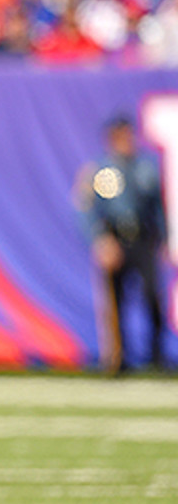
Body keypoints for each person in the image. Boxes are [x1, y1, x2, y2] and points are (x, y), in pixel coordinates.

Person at [78, 115, 168, 374]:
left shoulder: (145, 167)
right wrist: (99, 239)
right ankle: (118, 359)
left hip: (143, 238)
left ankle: (157, 356)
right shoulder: (102, 170)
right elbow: (86, 208)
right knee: (116, 301)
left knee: (152, 295)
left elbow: (157, 206)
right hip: (115, 237)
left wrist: (163, 237)